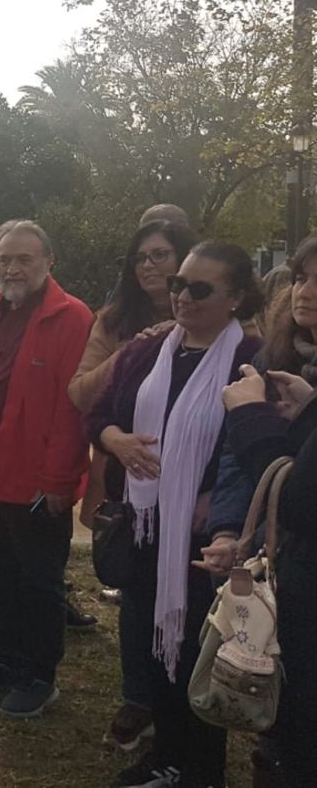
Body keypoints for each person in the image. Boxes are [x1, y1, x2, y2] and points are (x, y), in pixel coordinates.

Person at [86, 241, 263, 788]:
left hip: (205, 539)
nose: (182, 296)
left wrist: (213, 504)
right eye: (179, 284)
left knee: (194, 654)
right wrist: (115, 439)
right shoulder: (149, 351)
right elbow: (97, 415)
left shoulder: (250, 359)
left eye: (200, 289)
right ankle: (164, 755)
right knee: (151, 643)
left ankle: (199, 767)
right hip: (145, 528)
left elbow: (257, 448)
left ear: (234, 298)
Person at [0, 220, 93, 718]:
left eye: (24, 258)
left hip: (34, 482)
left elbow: (73, 410)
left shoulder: (71, 317)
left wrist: (59, 480)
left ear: (49, 262)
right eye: (5, 258)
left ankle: (39, 675)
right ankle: (6, 662)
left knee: (38, 581)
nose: (12, 268)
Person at [67, 217, 197, 749]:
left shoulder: (219, 321)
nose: (151, 266)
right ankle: (138, 699)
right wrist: (133, 351)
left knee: (190, 591)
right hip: (129, 482)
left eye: (163, 255)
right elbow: (80, 394)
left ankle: (189, 703)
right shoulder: (116, 321)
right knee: (138, 595)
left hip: (194, 486)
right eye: (142, 256)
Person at [207, 236, 317, 787]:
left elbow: (301, 500)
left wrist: (250, 418)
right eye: (302, 276)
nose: (308, 292)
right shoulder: (278, 359)